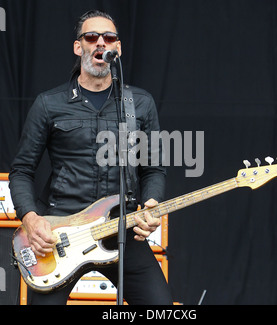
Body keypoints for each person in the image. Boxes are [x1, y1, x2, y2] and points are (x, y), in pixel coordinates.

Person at [9, 10, 173, 305]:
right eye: (91, 37)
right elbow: (21, 170)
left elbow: (154, 169)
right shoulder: (49, 104)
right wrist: (31, 219)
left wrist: (151, 204)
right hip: (60, 233)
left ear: (117, 49)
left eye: (108, 37)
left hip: (119, 226)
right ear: (78, 46)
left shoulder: (141, 104)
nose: (101, 43)